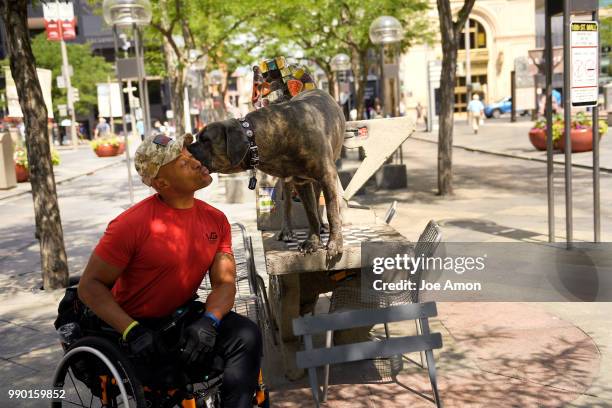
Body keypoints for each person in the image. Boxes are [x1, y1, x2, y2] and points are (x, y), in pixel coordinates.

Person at [78, 134, 262, 407]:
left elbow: (225, 282)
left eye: (190, 153)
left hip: (180, 317)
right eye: (182, 161)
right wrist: (132, 330)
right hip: (134, 327)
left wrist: (210, 320)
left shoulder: (216, 220)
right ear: (161, 183)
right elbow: (89, 286)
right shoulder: (131, 225)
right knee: (167, 378)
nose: (195, 160)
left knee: (246, 335)